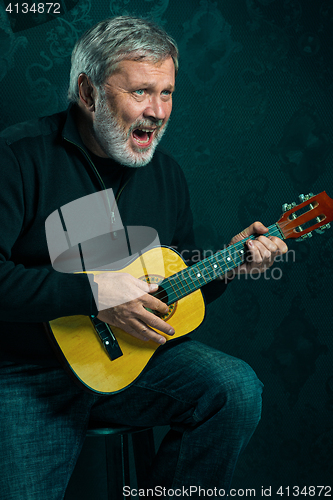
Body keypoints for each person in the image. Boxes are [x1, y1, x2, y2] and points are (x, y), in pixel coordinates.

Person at [0, 16, 287, 500]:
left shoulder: (166, 175)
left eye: (167, 93)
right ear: (88, 92)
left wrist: (230, 266)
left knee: (234, 389)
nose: (157, 112)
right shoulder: (16, 157)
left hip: (128, 366)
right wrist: (93, 294)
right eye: (140, 92)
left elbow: (167, 288)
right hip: (26, 372)